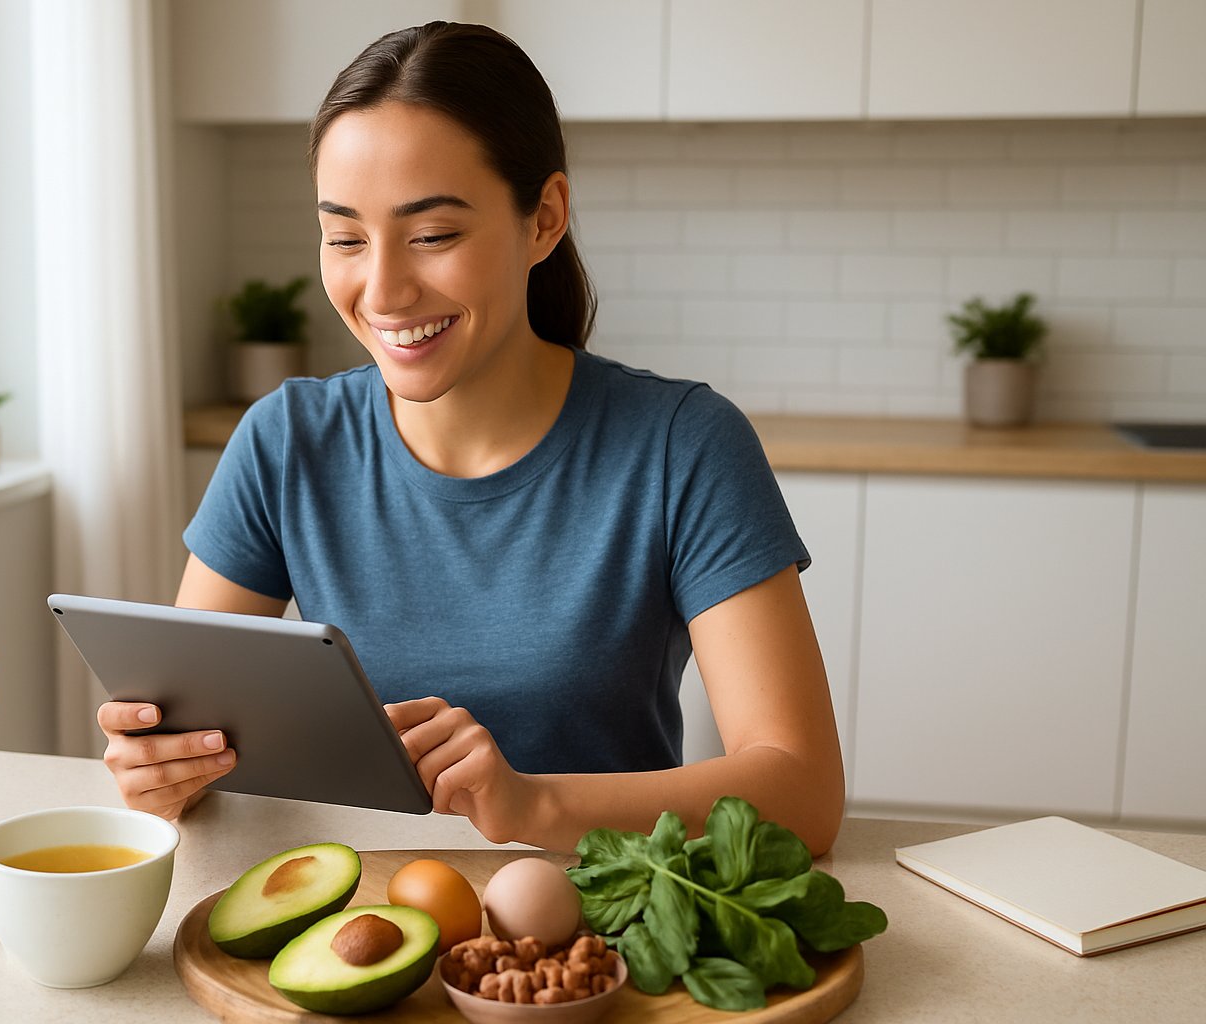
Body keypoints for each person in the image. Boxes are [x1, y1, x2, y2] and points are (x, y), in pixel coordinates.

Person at [98, 22, 844, 855]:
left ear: (544, 219)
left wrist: (533, 807)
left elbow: (803, 790)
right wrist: (161, 770)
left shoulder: (682, 446)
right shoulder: (286, 441)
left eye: (433, 235)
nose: (382, 290)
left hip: (601, 938)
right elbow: (195, 734)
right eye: (345, 238)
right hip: (359, 927)